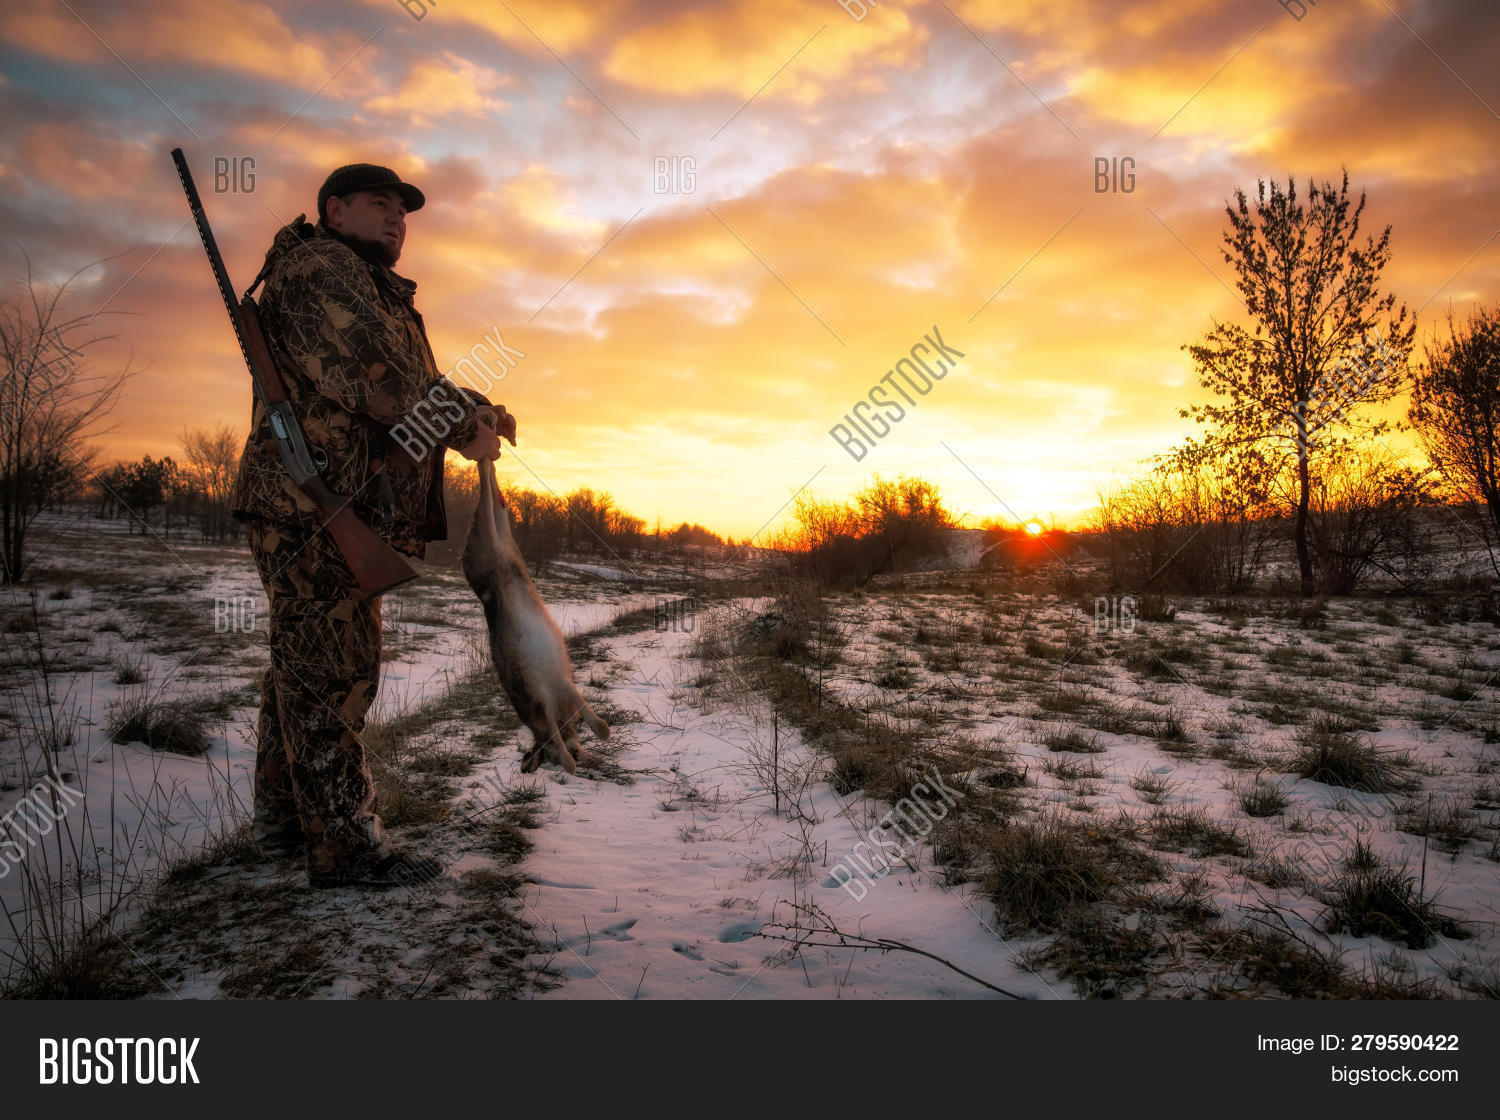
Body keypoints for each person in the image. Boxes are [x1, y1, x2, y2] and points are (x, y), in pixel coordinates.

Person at [229, 163, 514, 889]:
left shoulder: (365, 283)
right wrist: (463, 428)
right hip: (312, 508)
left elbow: (405, 378)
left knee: (304, 666)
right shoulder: (321, 270)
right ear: (335, 209)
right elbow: (377, 378)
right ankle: (348, 851)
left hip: (335, 506)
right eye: (380, 204)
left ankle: (285, 825)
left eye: (404, 211)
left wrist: (480, 409)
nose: (396, 219)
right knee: (333, 675)